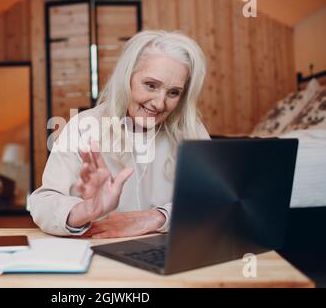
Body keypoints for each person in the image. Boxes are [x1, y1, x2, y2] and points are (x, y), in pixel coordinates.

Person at [29, 30, 210, 238]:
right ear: (127, 78)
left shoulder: (192, 131)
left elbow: (213, 201)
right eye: (150, 85)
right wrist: (85, 210)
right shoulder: (83, 126)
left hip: (169, 256)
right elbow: (43, 201)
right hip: (97, 250)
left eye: (173, 92)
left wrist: (157, 217)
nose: (160, 103)